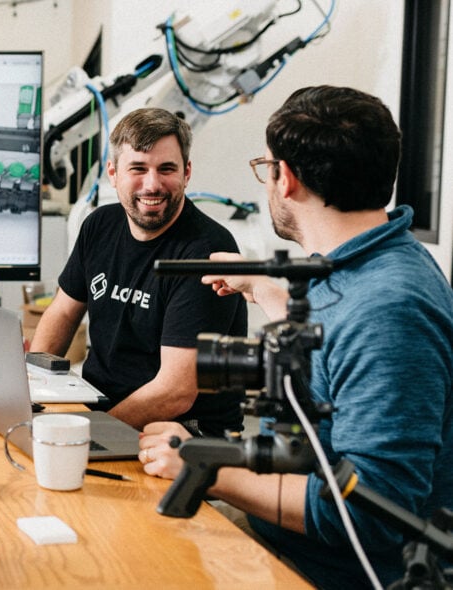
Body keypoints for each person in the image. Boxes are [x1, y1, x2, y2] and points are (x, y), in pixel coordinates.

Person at [139, 86, 453, 589]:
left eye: (265, 168)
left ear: (285, 179)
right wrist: (262, 288)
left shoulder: (391, 309)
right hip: (285, 539)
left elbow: (369, 513)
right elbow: (335, 345)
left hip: (322, 570)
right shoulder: (359, 263)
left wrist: (205, 467)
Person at [30, 107, 247, 436]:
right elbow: (61, 312)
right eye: (138, 168)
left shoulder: (207, 250)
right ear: (113, 173)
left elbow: (175, 393)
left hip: (182, 430)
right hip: (100, 407)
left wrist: (94, 433)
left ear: (187, 173)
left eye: (166, 169)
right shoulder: (99, 225)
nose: (153, 184)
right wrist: (32, 388)